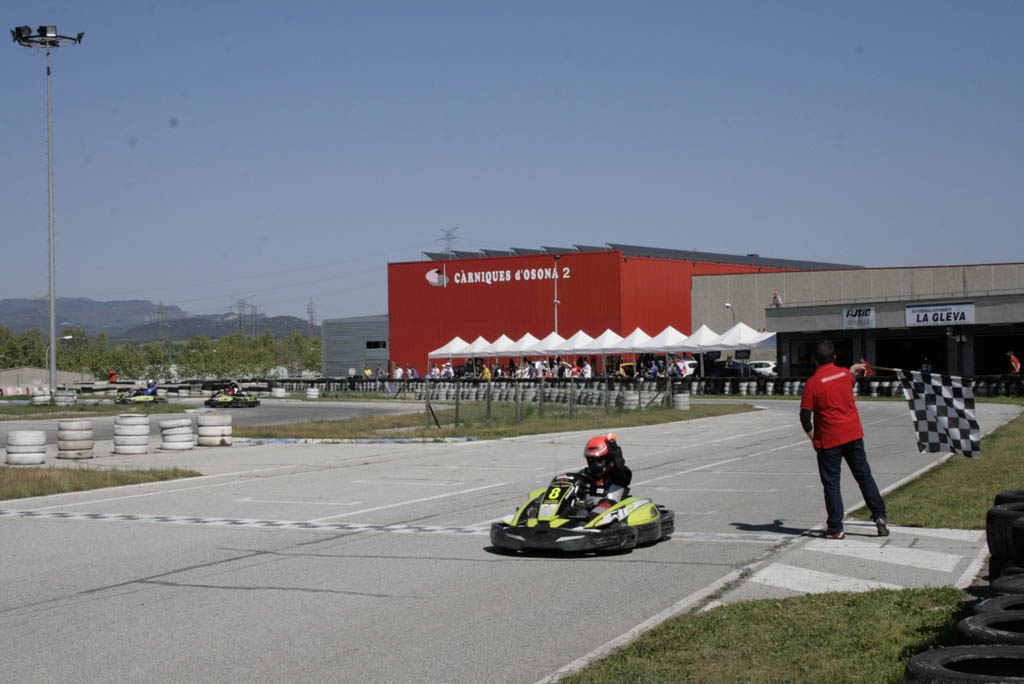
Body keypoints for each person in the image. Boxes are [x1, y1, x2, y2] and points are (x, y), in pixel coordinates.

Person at [800, 341, 888, 540]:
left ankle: (836, 527)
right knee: (864, 477)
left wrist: (814, 439)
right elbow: (850, 378)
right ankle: (880, 516)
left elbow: (805, 418)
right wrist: (854, 368)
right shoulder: (844, 375)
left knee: (832, 484)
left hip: (829, 440)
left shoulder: (812, 383)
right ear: (834, 357)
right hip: (853, 434)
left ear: (815, 360)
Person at [579, 433, 632, 517]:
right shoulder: (584, 474)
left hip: (610, 511)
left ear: (607, 458)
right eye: (591, 460)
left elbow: (620, 470)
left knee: (606, 503)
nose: (594, 464)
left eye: (598, 460)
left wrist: (616, 453)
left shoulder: (617, 474)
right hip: (586, 510)